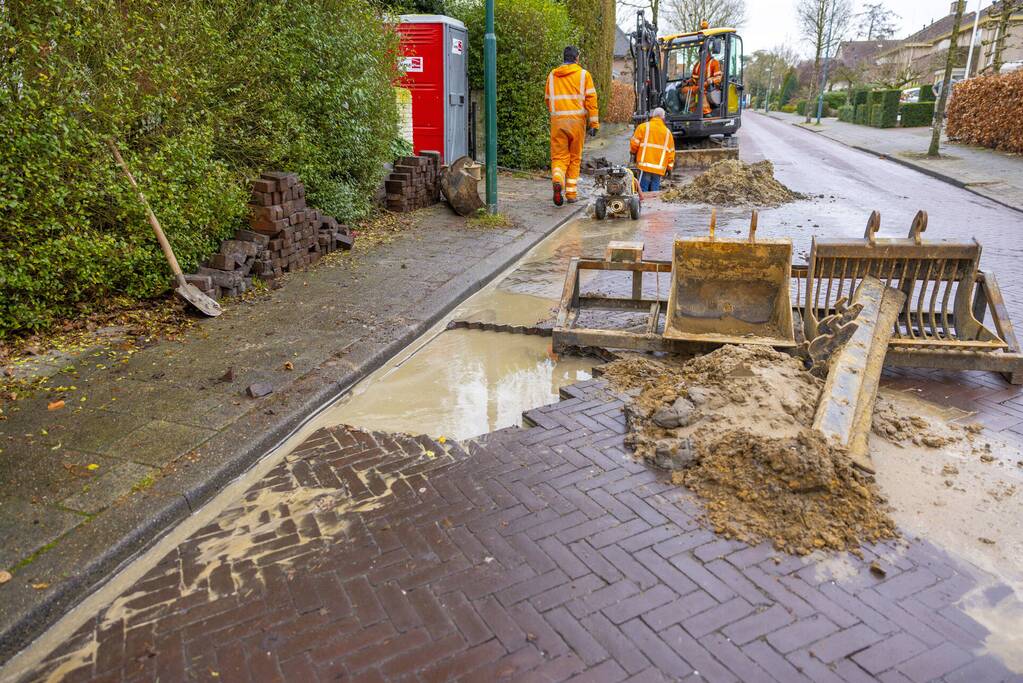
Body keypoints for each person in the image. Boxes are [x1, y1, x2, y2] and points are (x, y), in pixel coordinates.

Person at [545, 45, 599, 206]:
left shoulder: (552, 75)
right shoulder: (583, 75)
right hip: (577, 122)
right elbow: (591, 100)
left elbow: (548, 98)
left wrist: (557, 114)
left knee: (559, 157)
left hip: (558, 122)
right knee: (575, 158)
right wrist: (594, 123)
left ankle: (557, 179)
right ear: (576, 58)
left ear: (564, 58)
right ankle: (571, 193)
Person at [630, 108, 676, 192]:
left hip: (645, 166)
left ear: (652, 116)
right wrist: (669, 167)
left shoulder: (643, 127)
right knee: (655, 192)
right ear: (663, 118)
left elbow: (634, 144)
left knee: (642, 191)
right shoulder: (668, 133)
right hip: (658, 168)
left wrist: (633, 153)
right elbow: (671, 152)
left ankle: (644, 205)